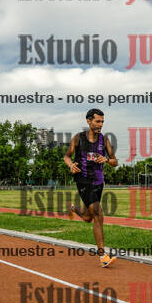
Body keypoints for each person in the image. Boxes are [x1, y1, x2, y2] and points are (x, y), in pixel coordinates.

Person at [64, 108, 118, 268]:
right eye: (97, 121)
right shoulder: (78, 138)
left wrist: (106, 160)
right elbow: (67, 156)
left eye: (102, 122)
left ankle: (73, 208)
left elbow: (115, 162)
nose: (100, 124)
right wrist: (71, 165)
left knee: (88, 218)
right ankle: (103, 256)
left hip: (98, 182)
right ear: (88, 121)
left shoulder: (105, 140)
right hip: (83, 180)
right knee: (98, 213)